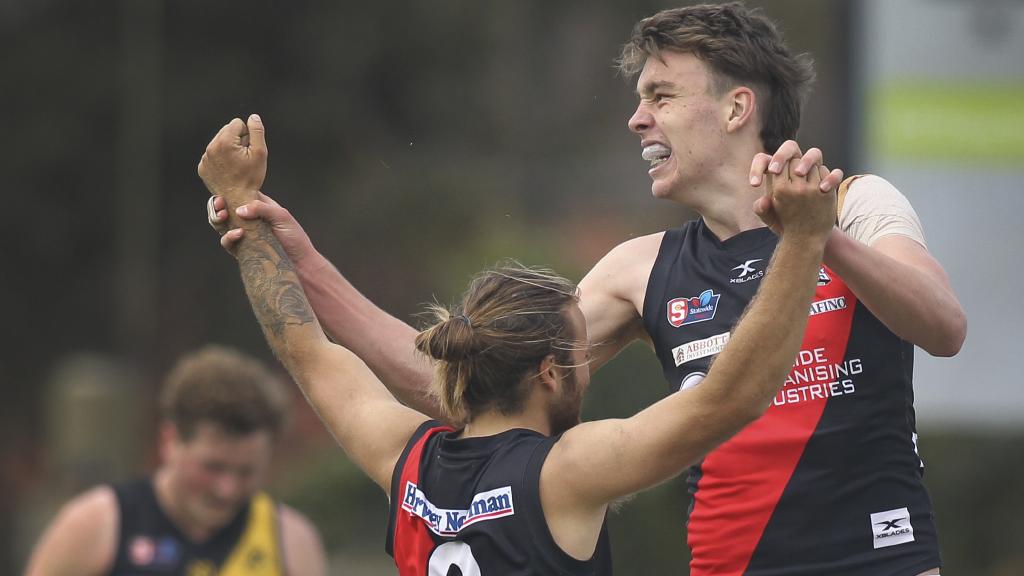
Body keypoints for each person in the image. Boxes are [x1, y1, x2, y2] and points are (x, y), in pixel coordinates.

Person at [208, 5, 966, 575]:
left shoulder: (856, 202)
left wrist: (816, 234)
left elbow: (943, 329)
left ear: (738, 109)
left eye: (662, 95)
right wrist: (304, 258)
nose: (637, 119)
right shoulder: (641, 266)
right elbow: (475, 382)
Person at [198, 111, 836, 575]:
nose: (589, 370)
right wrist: (803, 241)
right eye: (582, 354)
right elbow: (730, 399)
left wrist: (243, 208)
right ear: (550, 374)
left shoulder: (404, 459)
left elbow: (307, 350)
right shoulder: (564, 475)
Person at [24, 345, 326, 576]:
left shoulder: (291, 540)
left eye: (247, 472)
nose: (227, 489)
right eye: (213, 467)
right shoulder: (96, 524)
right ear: (170, 441)